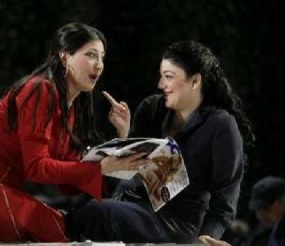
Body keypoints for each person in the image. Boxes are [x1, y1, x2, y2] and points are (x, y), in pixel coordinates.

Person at [0, 22, 148, 243]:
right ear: (65, 56)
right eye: (91, 55)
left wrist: (122, 136)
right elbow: (37, 168)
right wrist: (100, 168)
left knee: (53, 222)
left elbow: (70, 181)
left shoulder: (69, 109)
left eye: (102, 57)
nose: (99, 65)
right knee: (48, 224)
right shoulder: (40, 90)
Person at [66, 40, 254, 245]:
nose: (160, 84)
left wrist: (207, 237)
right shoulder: (152, 109)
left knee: (97, 211)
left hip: (177, 221)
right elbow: (125, 173)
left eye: (169, 77)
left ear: (195, 81)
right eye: (161, 76)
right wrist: (123, 135)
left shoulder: (221, 125)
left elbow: (225, 200)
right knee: (82, 205)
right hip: (131, 204)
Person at [243, 176, 285, 246]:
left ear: (283, 203)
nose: (261, 215)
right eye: (258, 209)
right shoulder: (258, 234)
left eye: (267, 209)